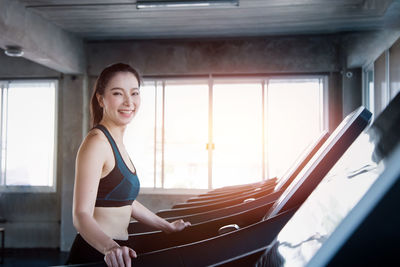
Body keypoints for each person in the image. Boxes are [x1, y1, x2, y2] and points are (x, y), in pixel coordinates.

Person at [67, 63, 191, 266]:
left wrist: (167, 227)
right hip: (97, 253)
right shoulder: (97, 143)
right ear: (101, 99)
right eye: (118, 93)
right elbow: (81, 215)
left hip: (117, 250)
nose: (128, 102)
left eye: (134, 93)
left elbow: (126, 201)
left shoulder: (116, 143)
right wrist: (110, 247)